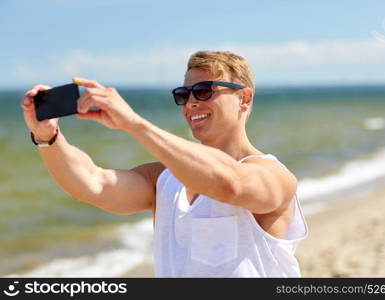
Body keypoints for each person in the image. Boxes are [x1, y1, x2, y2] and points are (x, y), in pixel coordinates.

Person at [20, 50, 307, 277]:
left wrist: (134, 124)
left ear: (244, 99)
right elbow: (94, 184)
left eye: (204, 91)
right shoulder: (164, 179)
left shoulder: (275, 175)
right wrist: (48, 137)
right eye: (184, 95)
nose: (191, 102)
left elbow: (230, 184)